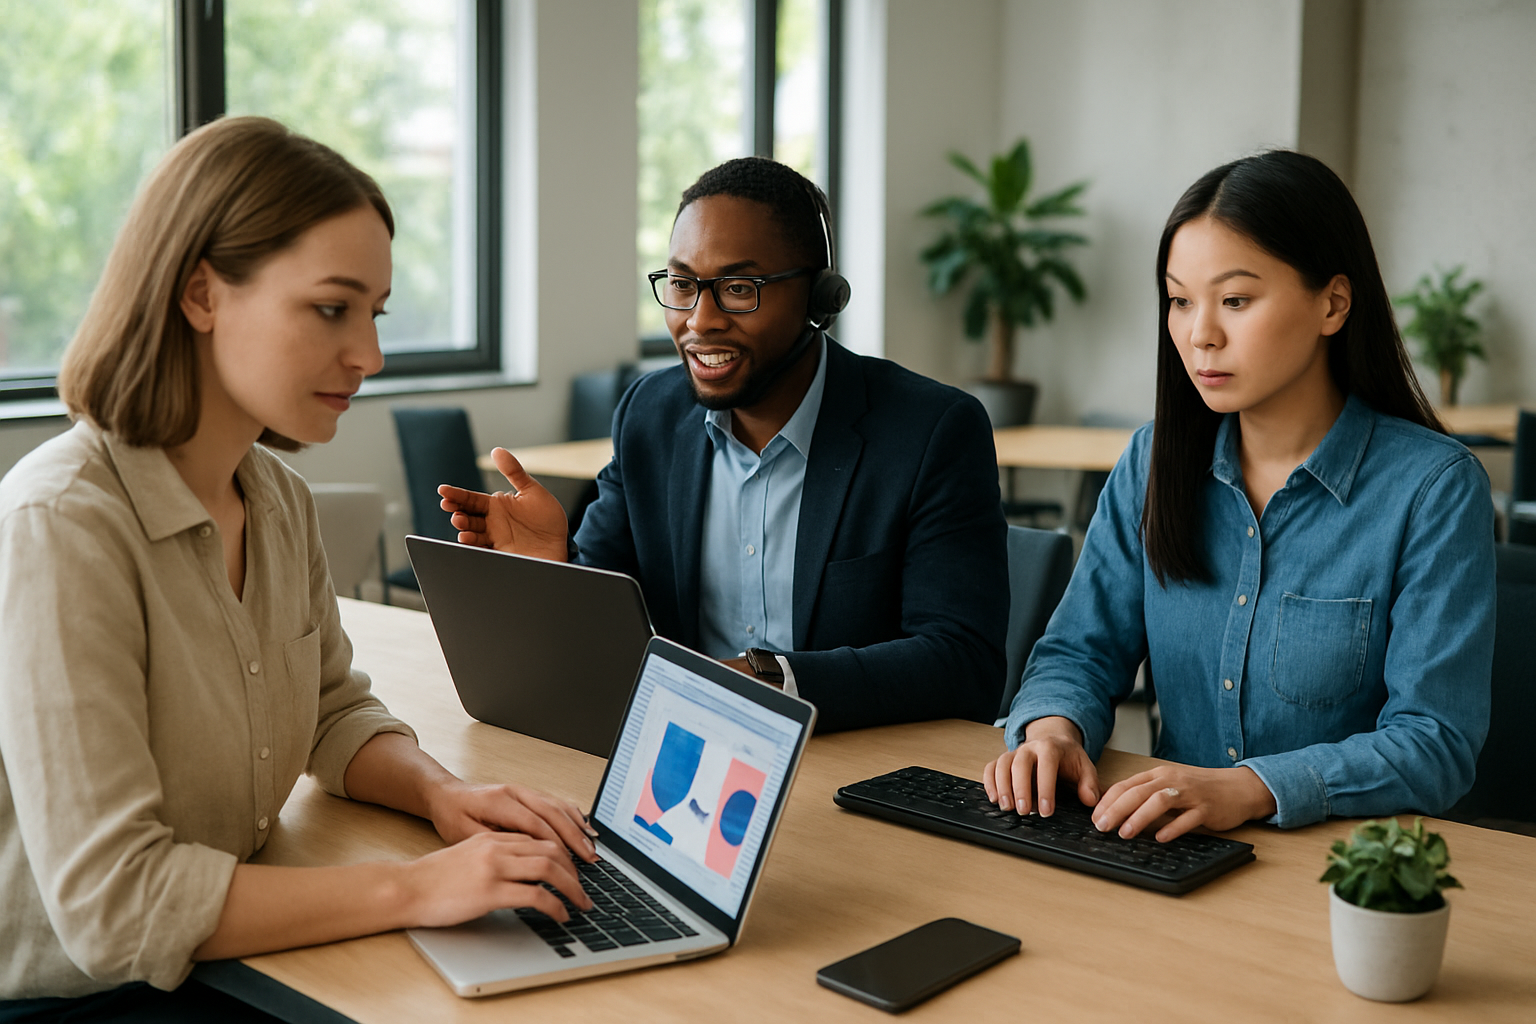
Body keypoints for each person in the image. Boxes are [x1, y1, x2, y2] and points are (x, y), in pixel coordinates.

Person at [0, 117, 598, 1019]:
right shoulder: (61, 526)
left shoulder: (274, 498)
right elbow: (116, 908)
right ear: (201, 294)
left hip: (233, 955)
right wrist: (421, 889)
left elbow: (331, 709)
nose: (370, 355)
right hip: (82, 997)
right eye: (332, 308)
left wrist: (448, 795)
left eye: (375, 314)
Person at [983, 150, 1493, 840]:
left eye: (1235, 300)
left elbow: (1435, 743)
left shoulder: (1432, 488)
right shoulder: (1153, 461)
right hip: (1161, 848)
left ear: (1332, 303)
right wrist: (1051, 729)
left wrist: (1253, 788)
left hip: (1340, 870)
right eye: (1180, 300)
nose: (1201, 335)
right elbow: (1080, 651)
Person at [440, 158, 1008, 731]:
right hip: (684, 756)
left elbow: (965, 662)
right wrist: (553, 572)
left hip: (846, 766)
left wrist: (768, 681)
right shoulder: (649, 417)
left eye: (739, 289)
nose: (700, 321)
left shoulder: (930, 430)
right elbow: (607, 622)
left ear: (819, 298)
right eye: (683, 286)